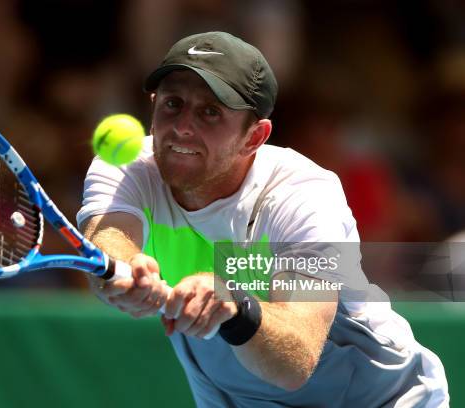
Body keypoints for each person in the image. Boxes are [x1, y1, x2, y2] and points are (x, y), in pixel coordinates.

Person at [77, 32, 449, 407]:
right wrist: (127, 271)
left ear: (255, 137)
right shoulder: (123, 165)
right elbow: (108, 242)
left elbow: (295, 361)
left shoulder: (305, 196)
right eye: (173, 104)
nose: (182, 126)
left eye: (210, 112)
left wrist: (236, 306)